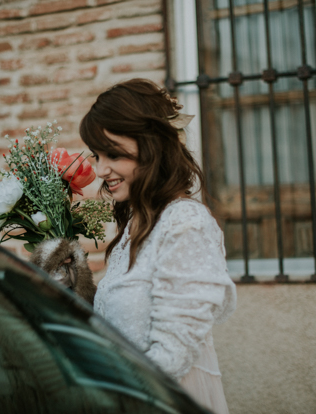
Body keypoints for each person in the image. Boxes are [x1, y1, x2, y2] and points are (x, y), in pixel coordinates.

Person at [79, 78, 237, 414]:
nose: (100, 170)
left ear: (151, 147)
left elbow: (173, 353)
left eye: (113, 154)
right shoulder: (136, 226)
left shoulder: (185, 225)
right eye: (96, 155)